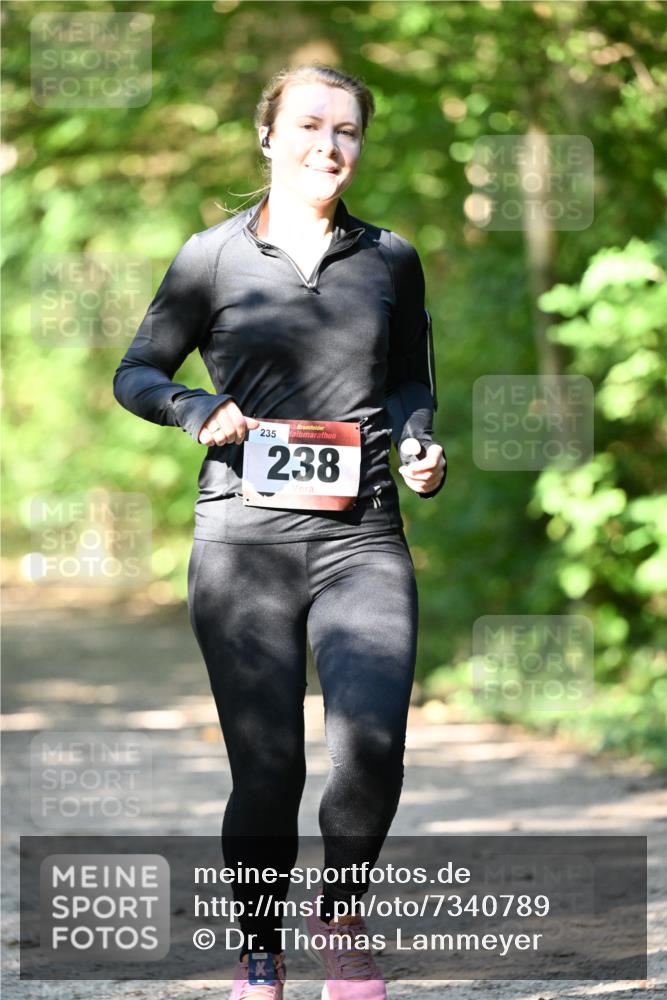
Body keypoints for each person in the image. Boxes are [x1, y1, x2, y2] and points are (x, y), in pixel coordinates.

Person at [113, 63, 446, 1000]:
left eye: (346, 131)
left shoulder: (390, 258)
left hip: (362, 537)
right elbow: (137, 371)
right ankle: (260, 946)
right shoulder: (209, 257)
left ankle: (338, 919)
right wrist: (191, 407)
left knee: (371, 746)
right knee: (268, 769)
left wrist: (420, 445)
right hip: (242, 546)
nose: (328, 146)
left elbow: (411, 382)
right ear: (267, 136)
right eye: (308, 125)